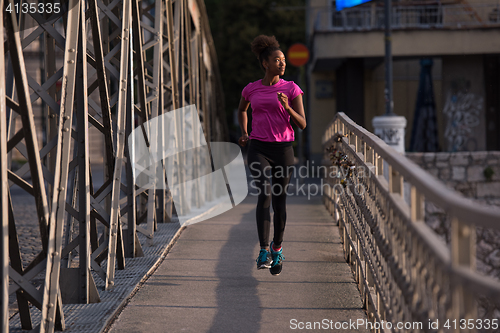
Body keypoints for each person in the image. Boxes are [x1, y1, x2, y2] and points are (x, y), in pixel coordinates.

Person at [237, 35, 306, 275]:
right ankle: (264, 250)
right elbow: (242, 109)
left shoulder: (291, 88)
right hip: (258, 147)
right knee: (264, 194)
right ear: (265, 63)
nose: (282, 64)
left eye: (284, 60)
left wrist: (287, 107)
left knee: (279, 200)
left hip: (284, 149)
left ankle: (278, 249)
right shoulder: (251, 88)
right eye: (277, 60)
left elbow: (303, 124)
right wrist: (245, 132)